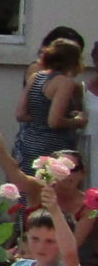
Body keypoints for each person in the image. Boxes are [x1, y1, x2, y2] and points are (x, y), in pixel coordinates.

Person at [12, 36, 88, 170]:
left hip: (28, 144)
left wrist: (40, 117)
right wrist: (77, 121)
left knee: (27, 188)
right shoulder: (64, 82)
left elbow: (20, 114)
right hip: (52, 148)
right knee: (48, 189)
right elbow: (54, 122)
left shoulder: (36, 77)